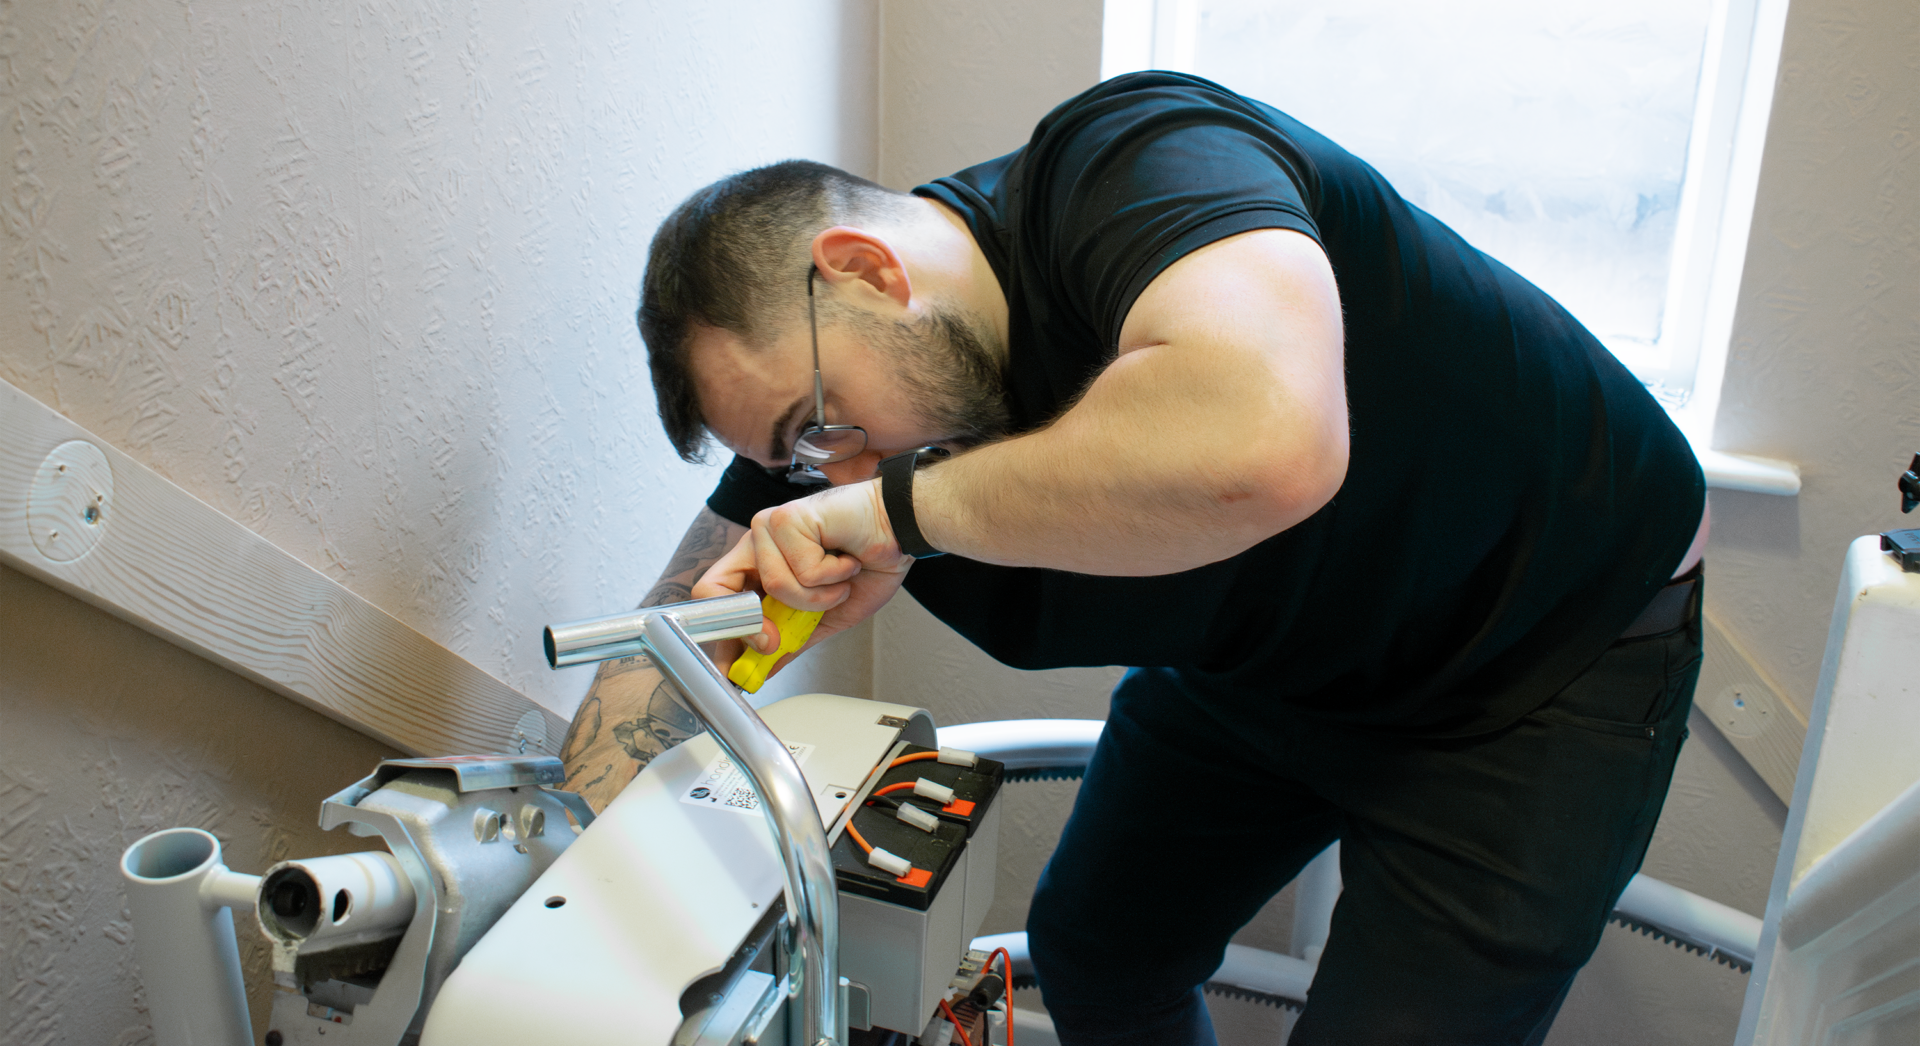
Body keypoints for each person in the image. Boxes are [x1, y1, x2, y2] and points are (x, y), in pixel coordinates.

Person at [559, 71, 1709, 1046]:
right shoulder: (835, 446)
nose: (833, 472)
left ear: (866, 269)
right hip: (1274, 662)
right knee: (1098, 947)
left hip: (1540, 654)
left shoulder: (1141, 157)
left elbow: (1268, 444)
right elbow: (661, 646)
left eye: (822, 427)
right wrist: (566, 890)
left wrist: (902, 513)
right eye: (797, 458)